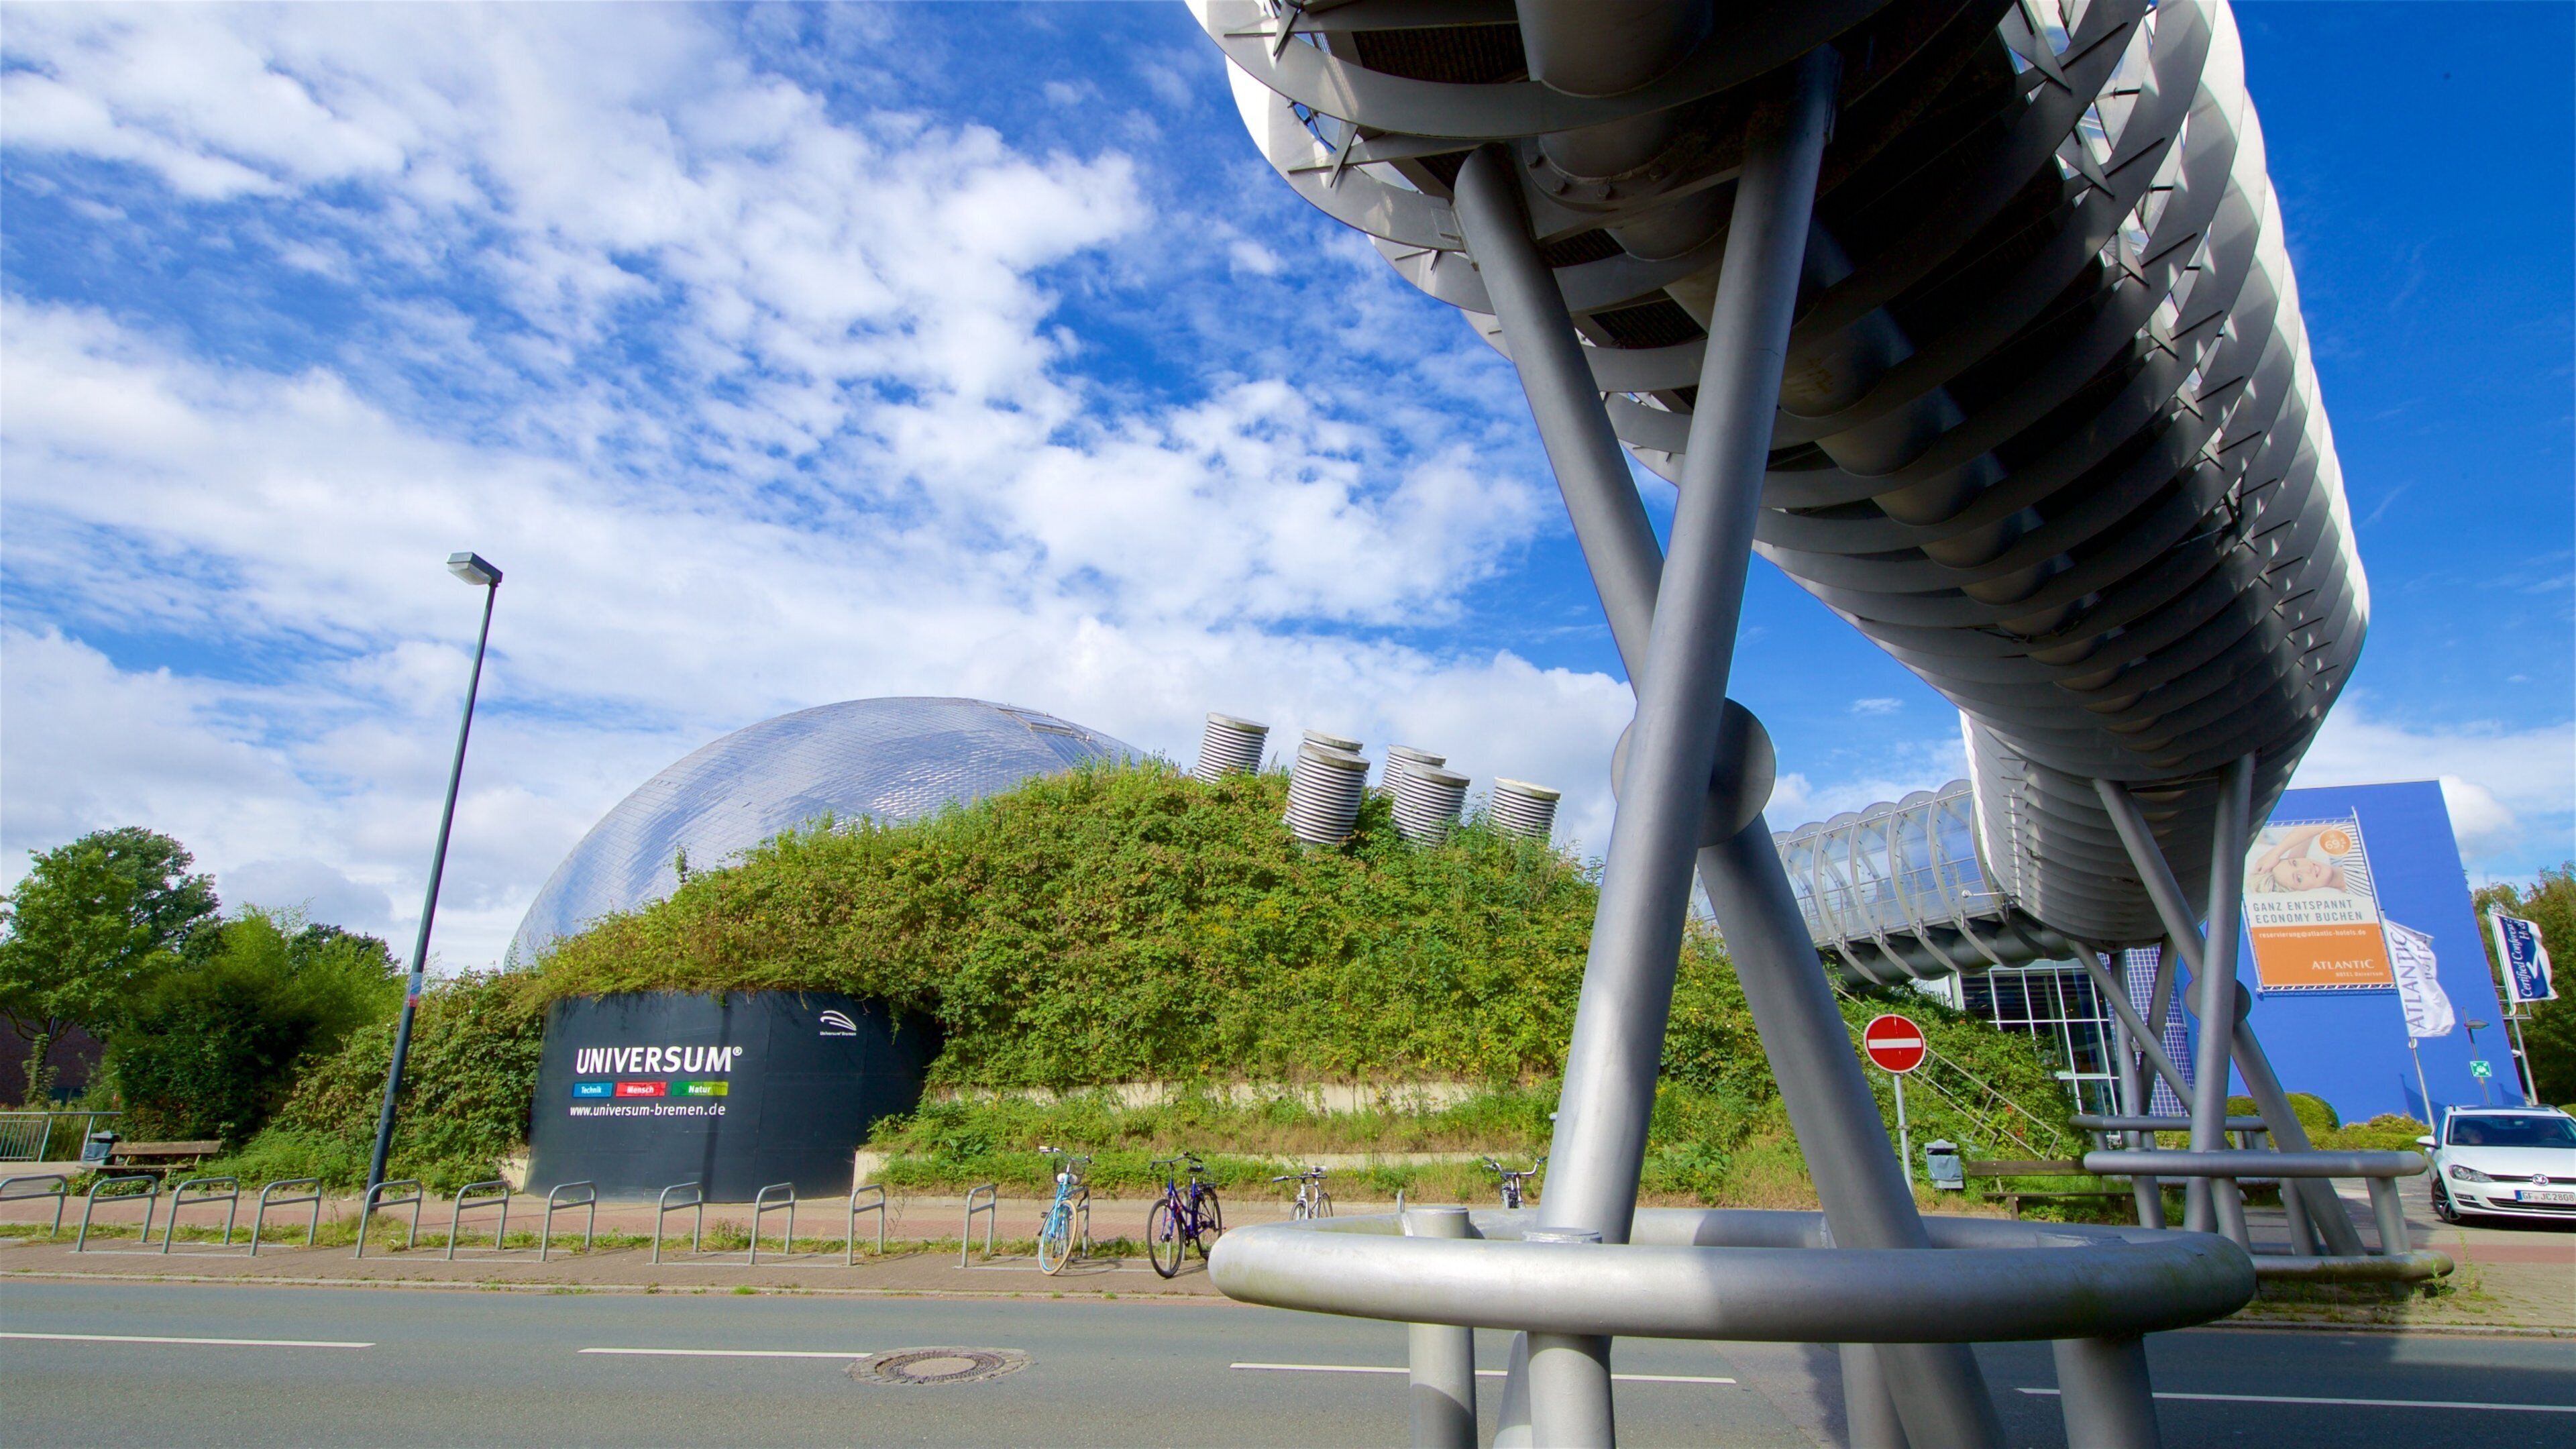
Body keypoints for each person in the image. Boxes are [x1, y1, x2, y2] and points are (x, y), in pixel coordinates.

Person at [2249, 824, 2349, 894]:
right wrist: (2276, 852)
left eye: (2295, 863)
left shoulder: (2338, 850)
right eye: (2299, 878)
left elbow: (2315, 821)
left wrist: (2275, 854)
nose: (2307, 869)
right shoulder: (2356, 883)